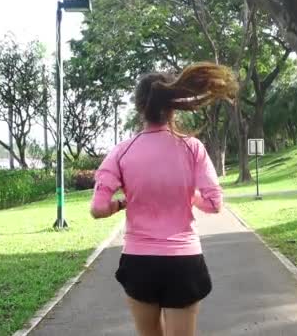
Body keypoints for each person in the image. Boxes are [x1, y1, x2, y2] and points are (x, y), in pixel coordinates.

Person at [90, 62, 238, 336]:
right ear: (173, 105)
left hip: (138, 261)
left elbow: (98, 209)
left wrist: (123, 203)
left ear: (139, 107)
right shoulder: (192, 147)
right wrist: (190, 197)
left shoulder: (121, 152)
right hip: (183, 261)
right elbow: (215, 203)